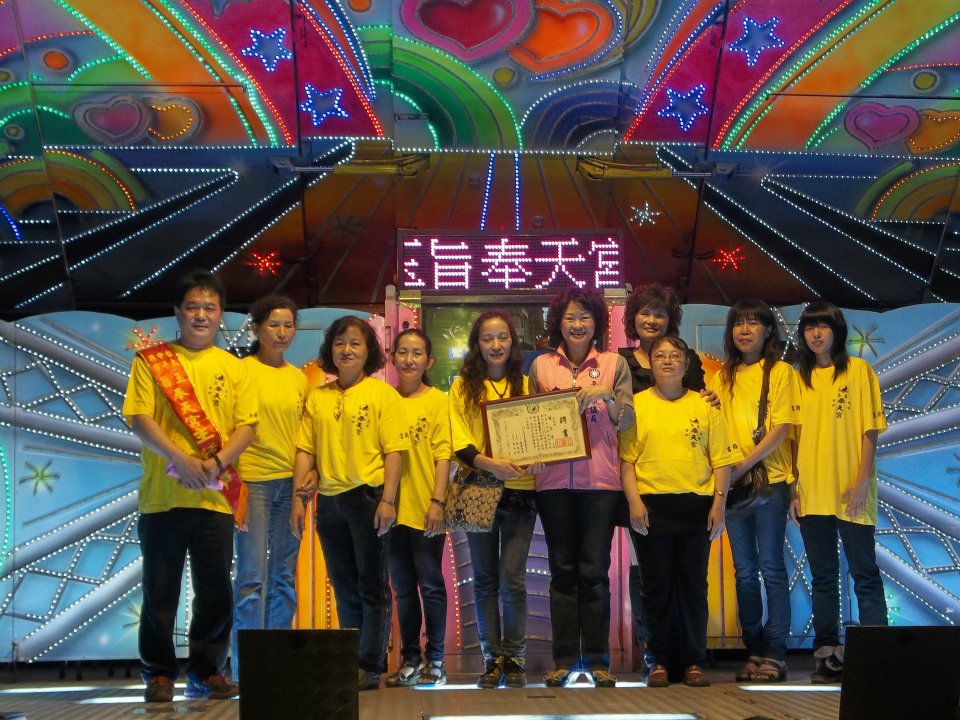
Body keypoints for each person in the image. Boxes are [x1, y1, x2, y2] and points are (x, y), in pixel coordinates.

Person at [122, 270, 256, 703]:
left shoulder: (234, 368)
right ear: (178, 313)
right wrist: (180, 459)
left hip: (215, 499)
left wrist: (215, 463)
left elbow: (246, 426)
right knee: (160, 591)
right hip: (162, 498)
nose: (201, 315)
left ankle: (207, 671)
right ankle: (159, 675)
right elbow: (139, 418)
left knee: (215, 590)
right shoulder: (151, 362)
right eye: (193, 307)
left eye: (209, 308)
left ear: (221, 315)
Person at [290, 316, 410, 691]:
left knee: (372, 586)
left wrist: (388, 500)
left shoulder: (382, 395)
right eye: (340, 342)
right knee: (343, 585)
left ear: (368, 351)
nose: (347, 350)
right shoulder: (318, 397)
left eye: (355, 343)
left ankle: (370, 665)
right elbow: (305, 449)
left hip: (368, 499)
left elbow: (395, 453)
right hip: (329, 502)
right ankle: (351, 660)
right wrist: (298, 499)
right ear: (331, 349)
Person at [528, 288, 635, 688]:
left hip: (601, 483)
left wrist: (606, 396)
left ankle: (597, 661)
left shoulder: (613, 364)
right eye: (570, 317)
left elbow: (627, 421)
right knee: (562, 573)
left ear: (597, 323)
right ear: (558, 322)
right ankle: (563, 661)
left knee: (594, 572)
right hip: (552, 484)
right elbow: (529, 419)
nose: (577, 325)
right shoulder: (541, 366)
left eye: (585, 317)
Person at [619, 335, 735, 688]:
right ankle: (657, 660)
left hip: (696, 507)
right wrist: (634, 503)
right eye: (660, 356)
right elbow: (627, 462)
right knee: (656, 587)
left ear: (686, 365)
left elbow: (722, 461)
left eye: (675, 356)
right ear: (650, 364)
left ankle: (693, 661)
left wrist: (719, 505)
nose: (667, 360)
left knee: (693, 586)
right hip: (652, 507)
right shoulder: (637, 405)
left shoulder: (705, 405)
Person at [791, 301, 888, 684]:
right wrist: (795, 490)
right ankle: (827, 655)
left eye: (823, 326)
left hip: (853, 491)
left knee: (864, 573)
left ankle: (876, 656)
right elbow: (793, 437)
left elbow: (870, 430)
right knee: (824, 577)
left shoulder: (859, 371)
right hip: (812, 491)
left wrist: (862, 479)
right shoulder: (798, 377)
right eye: (809, 327)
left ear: (837, 331)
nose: (816, 334)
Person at [618, 283, 712, 668]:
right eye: (645, 312)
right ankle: (654, 655)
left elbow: (700, 406)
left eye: (660, 313)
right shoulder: (620, 363)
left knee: (687, 579)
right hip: (640, 485)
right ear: (633, 317)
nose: (652, 319)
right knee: (649, 575)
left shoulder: (688, 361)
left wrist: (710, 399)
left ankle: (688, 657)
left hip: (688, 488)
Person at [707, 299, 800, 683]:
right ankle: (754, 649)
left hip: (770, 483)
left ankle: (776, 652)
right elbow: (712, 426)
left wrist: (742, 465)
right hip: (732, 488)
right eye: (738, 323)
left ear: (768, 331)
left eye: (753, 323)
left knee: (772, 568)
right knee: (744, 572)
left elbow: (782, 428)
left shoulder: (780, 372)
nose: (744, 330)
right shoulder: (722, 377)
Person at [449, 309, 537, 689]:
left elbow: (540, 432)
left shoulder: (528, 384)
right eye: (487, 338)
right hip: (478, 490)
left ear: (512, 343)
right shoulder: (461, 387)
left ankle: (515, 658)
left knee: (512, 578)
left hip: (521, 492)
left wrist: (537, 456)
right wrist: (491, 464)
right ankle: (492, 659)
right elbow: (458, 443)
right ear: (477, 344)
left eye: (503, 337)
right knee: (484, 580)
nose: (496, 345)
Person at [230, 295, 308, 681]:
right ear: (256, 328)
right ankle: (245, 671)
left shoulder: (298, 378)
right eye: (274, 324)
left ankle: (277, 670)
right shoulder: (239, 371)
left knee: (284, 578)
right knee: (251, 578)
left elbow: (304, 438)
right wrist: (236, 485)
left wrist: (302, 488)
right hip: (252, 483)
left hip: (290, 486)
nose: (281, 332)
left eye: (288, 325)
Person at [384, 329, 451, 687]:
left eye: (417, 353)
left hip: (427, 508)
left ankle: (435, 659)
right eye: (403, 352)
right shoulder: (384, 399)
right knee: (403, 588)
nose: (409, 359)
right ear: (392, 357)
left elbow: (444, 455)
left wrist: (438, 501)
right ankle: (410, 659)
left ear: (429, 361)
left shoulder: (438, 400)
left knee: (431, 585)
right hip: (391, 511)